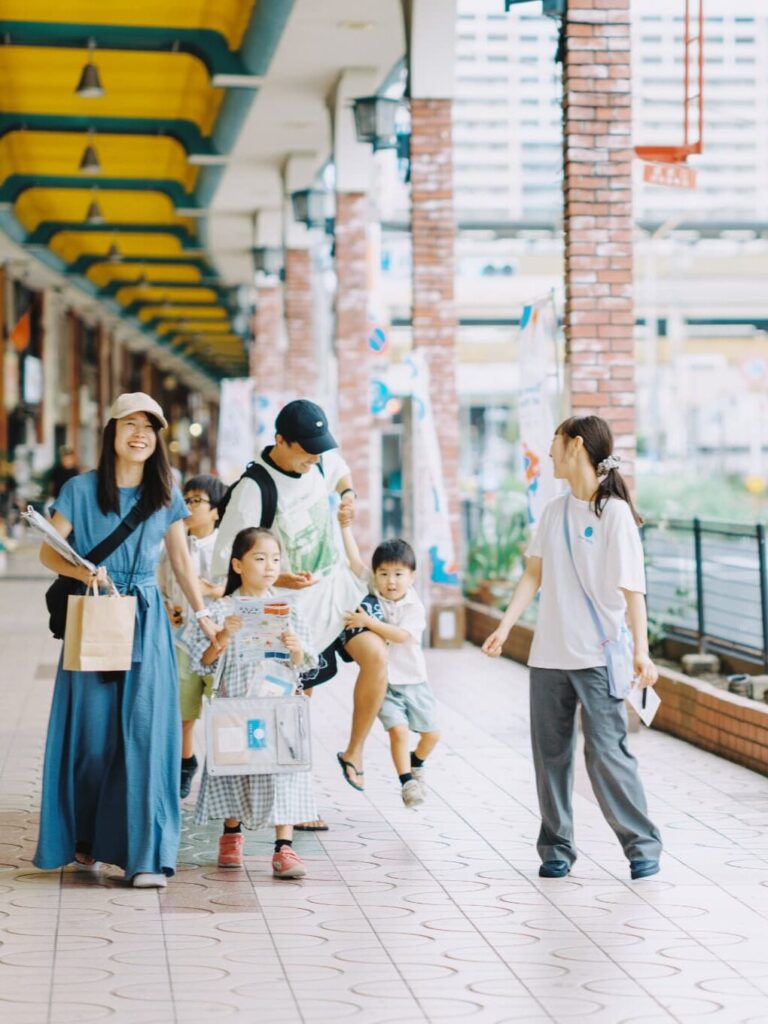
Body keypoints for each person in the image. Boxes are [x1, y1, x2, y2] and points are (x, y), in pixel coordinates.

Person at [33, 393, 219, 888]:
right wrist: (85, 572)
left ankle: (145, 857)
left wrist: (203, 617)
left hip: (147, 617)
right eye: (129, 424)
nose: (139, 434)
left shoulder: (166, 491)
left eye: (149, 427)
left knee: (146, 734)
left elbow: (181, 562)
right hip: (95, 610)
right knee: (92, 736)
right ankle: (86, 839)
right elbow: (48, 554)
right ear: (112, 432)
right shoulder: (80, 489)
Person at [482, 415, 663, 882]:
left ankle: (642, 846)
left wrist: (642, 652)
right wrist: (505, 627)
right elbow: (534, 574)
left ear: (576, 445)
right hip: (548, 657)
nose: (549, 453)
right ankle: (556, 849)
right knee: (550, 757)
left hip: (598, 657)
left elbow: (633, 591)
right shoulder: (555, 511)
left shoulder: (614, 515)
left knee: (606, 754)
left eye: (555, 444)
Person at [212, 400, 387, 813]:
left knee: (377, 656)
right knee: (296, 704)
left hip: (339, 592)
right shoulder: (253, 490)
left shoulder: (320, 462)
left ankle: (353, 752)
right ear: (280, 441)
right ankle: (296, 806)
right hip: (293, 614)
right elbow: (226, 561)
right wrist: (278, 578)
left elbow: (340, 470)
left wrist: (348, 494)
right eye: (306, 451)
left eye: (319, 450)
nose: (314, 458)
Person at [191, 527, 317, 878]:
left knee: (283, 770)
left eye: (275, 559)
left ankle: (283, 847)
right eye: (259, 558)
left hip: (278, 708)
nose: (269, 566)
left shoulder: (289, 609)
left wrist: (295, 650)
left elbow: (305, 663)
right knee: (236, 765)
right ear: (238, 565)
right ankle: (231, 836)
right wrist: (224, 635)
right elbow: (202, 662)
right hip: (236, 705)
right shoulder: (222, 609)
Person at [338, 519, 440, 808]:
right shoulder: (373, 587)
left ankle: (416, 761)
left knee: (432, 735)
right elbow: (354, 560)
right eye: (383, 574)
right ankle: (407, 782)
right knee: (398, 731)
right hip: (387, 683)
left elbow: (401, 636)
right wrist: (345, 526)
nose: (390, 581)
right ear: (376, 575)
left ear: (412, 577)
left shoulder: (414, 606)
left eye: (398, 574)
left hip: (415, 681)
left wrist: (369, 622)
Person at [157, 473, 227, 799]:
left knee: (222, 705)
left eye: (197, 500)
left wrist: (213, 590)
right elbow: (161, 583)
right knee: (183, 707)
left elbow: (240, 586)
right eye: (186, 499)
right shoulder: (172, 544)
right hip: (181, 639)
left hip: (218, 639)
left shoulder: (227, 547)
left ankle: (224, 767)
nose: (188, 506)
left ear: (216, 510)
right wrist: (167, 605)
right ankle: (186, 762)